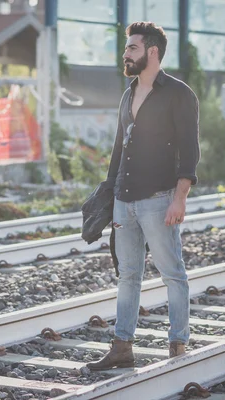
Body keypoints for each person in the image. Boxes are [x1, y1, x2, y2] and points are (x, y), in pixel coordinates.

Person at [86, 22, 200, 371]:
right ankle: (122, 346)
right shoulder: (127, 93)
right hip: (125, 199)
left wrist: (179, 198)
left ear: (152, 52)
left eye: (132, 48)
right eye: (126, 48)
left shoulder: (179, 94)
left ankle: (177, 344)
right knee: (128, 275)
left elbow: (190, 150)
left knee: (173, 273)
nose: (125, 54)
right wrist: (109, 194)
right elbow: (119, 149)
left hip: (159, 199)